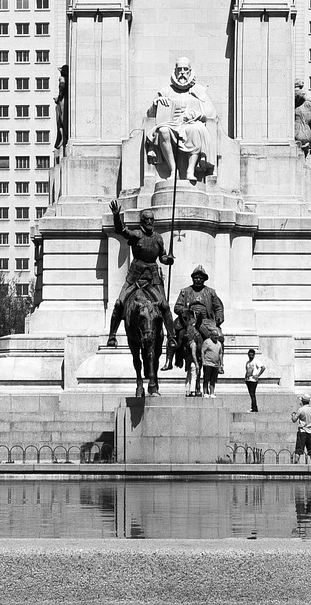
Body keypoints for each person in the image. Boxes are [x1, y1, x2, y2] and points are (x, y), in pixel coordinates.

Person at [105, 200, 176, 349]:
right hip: (135, 276)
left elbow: (161, 256)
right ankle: (112, 335)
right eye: (147, 220)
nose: (150, 222)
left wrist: (167, 259)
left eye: (151, 220)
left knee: (164, 305)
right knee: (119, 303)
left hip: (153, 277)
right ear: (142, 221)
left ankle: (171, 337)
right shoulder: (136, 235)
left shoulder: (158, 238)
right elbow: (121, 231)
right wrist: (117, 216)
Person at [146, 56, 216, 183]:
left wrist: (198, 114)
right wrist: (156, 104)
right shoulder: (166, 91)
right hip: (171, 124)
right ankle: (173, 170)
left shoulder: (198, 90)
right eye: (180, 69)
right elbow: (150, 114)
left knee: (195, 129)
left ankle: (191, 170)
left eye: (185, 69)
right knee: (163, 131)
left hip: (190, 124)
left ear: (190, 72)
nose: (182, 73)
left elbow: (211, 114)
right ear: (175, 71)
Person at [173, 265, 225, 394]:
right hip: (188, 319)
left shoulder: (211, 292)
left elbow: (218, 307)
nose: (197, 280)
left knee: (219, 336)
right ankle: (173, 358)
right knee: (174, 334)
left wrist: (219, 317)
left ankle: (219, 363)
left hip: (205, 320)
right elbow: (177, 307)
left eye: (200, 278)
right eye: (195, 278)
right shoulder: (185, 291)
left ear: (204, 279)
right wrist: (186, 310)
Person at [291, 393, 311, 461]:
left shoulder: (301, 410)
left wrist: (293, 415)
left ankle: (296, 462)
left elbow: (294, 420)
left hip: (302, 431)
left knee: (299, 449)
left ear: (302, 401)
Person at [201, 327, 223, 398]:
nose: (216, 337)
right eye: (215, 336)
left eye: (217, 336)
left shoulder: (219, 343)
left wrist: (221, 363)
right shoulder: (207, 342)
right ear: (211, 336)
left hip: (215, 365)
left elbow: (220, 353)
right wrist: (203, 361)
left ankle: (212, 392)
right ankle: (205, 392)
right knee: (206, 379)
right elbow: (202, 351)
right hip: (208, 363)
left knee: (213, 380)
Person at [244, 348, 266, 413]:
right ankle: (253, 407)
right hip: (248, 379)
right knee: (251, 394)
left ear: (254, 355)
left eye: (252, 355)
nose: (251, 356)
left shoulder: (256, 361)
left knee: (252, 394)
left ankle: (254, 408)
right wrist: (245, 377)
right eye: (249, 355)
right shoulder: (247, 362)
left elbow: (263, 367)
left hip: (253, 380)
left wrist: (258, 375)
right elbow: (247, 370)